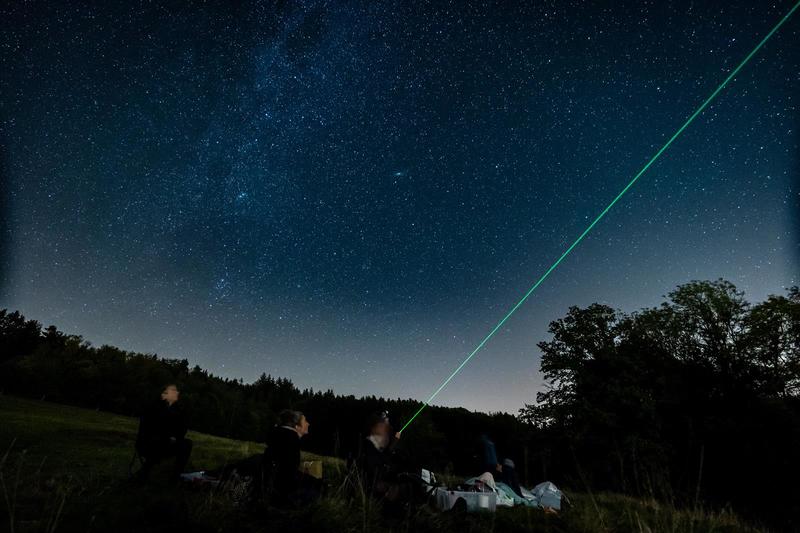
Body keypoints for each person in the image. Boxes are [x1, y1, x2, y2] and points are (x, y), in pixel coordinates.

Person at [135, 383, 192, 481]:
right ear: (164, 394)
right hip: (148, 443)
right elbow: (149, 427)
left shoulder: (177, 409)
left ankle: (175, 476)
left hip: (168, 442)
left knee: (187, 444)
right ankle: (145, 471)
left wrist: (176, 437)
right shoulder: (154, 407)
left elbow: (182, 428)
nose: (177, 393)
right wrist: (167, 436)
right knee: (159, 440)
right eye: (173, 391)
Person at [263, 409, 318, 507]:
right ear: (297, 427)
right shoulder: (291, 439)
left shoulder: (282, 436)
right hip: (278, 492)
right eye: (305, 421)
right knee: (316, 483)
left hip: (271, 484)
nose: (308, 424)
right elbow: (287, 474)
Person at [357, 412, 404, 500]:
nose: (387, 428)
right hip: (369, 492)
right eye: (384, 424)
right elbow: (376, 466)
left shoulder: (377, 446)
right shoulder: (368, 445)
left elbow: (385, 456)